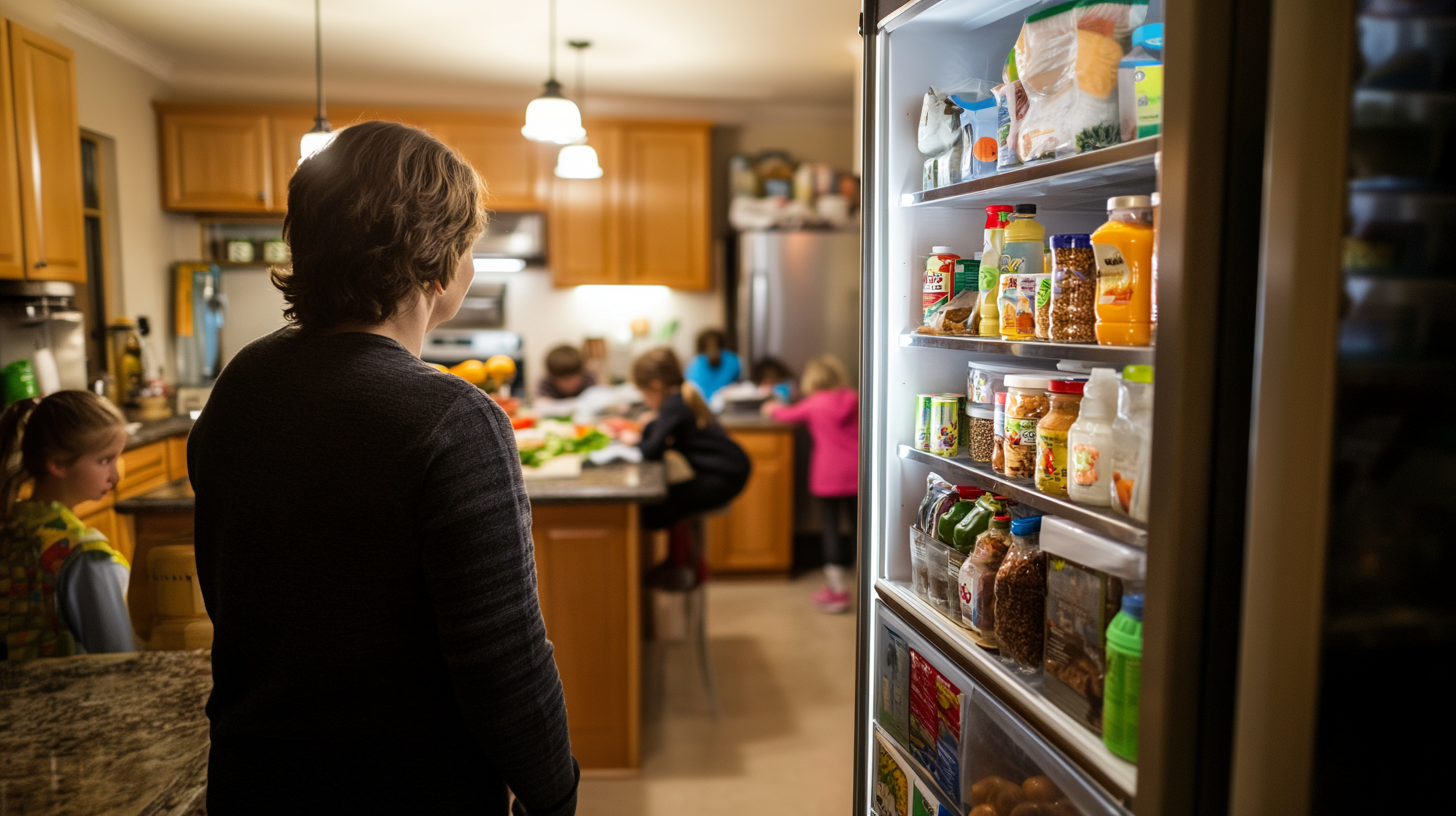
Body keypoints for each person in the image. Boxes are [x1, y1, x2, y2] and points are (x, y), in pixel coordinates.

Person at [188, 121, 577, 815]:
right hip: (406, 788)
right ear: (438, 262)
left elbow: (234, 591)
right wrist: (555, 796)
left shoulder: (244, 381)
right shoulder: (455, 419)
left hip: (254, 779)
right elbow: (505, 661)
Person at [0, 390, 134, 660]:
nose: (116, 475)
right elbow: (118, 657)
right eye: (104, 460)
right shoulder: (86, 556)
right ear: (58, 463)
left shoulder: (10, 525)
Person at [762, 355, 860, 613]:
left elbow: (785, 415)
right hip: (856, 473)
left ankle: (838, 591)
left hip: (828, 475)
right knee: (859, 528)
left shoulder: (813, 404)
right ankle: (865, 583)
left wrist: (771, 407)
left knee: (831, 529)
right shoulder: (854, 398)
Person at [628, 348, 750, 530]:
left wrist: (634, 439)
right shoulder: (682, 394)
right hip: (730, 469)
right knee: (657, 506)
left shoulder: (673, 404)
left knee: (649, 511)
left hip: (723, 477)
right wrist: (653, 422)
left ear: (656, 385)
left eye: (644, 394)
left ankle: (675, 557)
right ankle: (678, 556)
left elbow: (652, 450)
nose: (645, 401)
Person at [684, 328, 741, 402]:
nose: (712, 350)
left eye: (715, 346)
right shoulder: (695, 366)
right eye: (709, 347)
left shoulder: (732, 362)